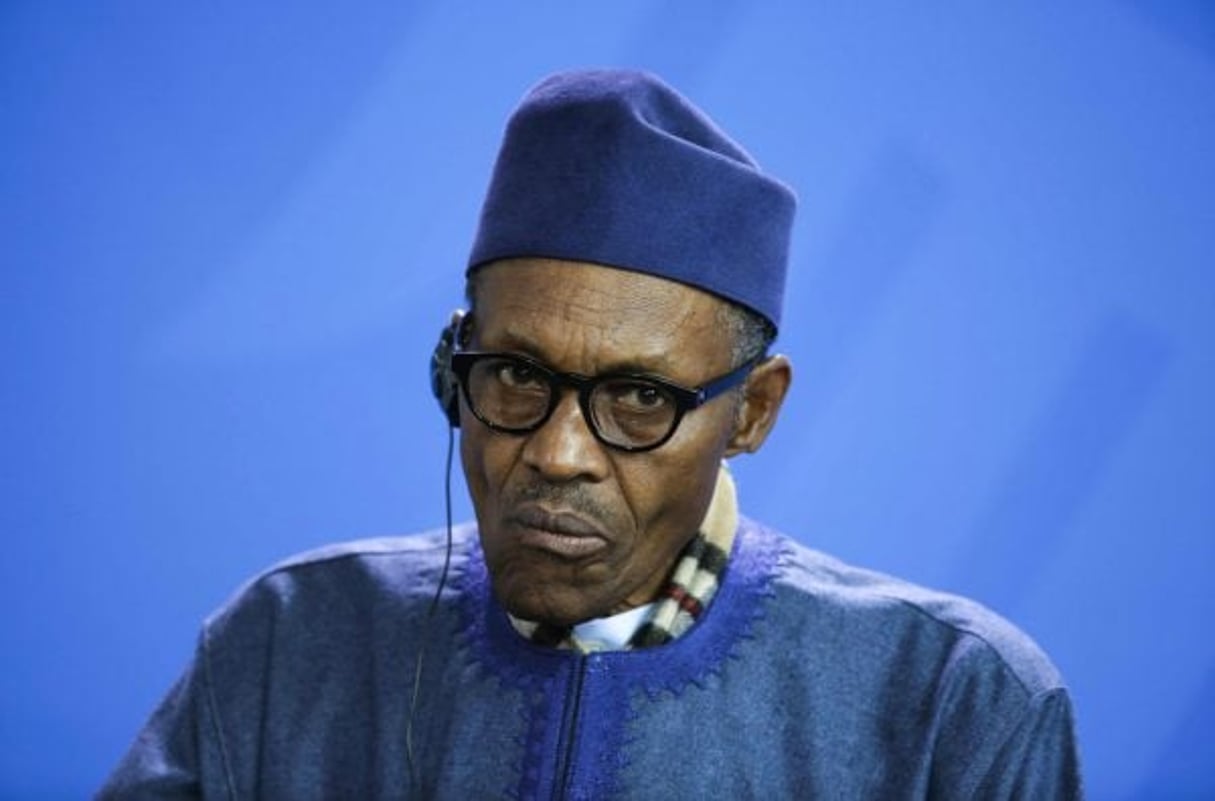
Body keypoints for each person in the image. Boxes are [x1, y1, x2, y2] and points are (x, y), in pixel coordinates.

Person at [100, 69, 1082, 799]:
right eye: (518, 376)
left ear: (753, 411)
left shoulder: (956, 703)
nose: (559, 454)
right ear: (454, 370)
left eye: (640, 400)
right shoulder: (287, 643)